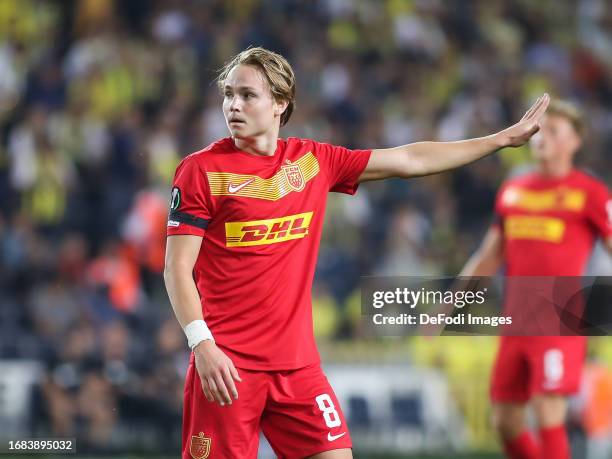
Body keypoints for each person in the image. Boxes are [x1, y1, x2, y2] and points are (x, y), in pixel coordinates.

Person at [163, 46, 549, 459]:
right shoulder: (202, 170)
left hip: (298, 368)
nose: (233, 105)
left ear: (280, 103)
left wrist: (500, 139)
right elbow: (176, 268)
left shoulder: (312, 162)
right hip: (226, 367)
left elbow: (410, 158)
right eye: (228, 94)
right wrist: (202, 345)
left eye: (247, 95)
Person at [459, 99, 612, 459]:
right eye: (541, 131)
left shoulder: (590, 193)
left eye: (555, 131)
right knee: (505, 422)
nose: (542, 139)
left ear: (575, 141)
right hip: (516, 323)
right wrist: (453, 301)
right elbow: (489, 254)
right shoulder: (514, 190)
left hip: (559, 323)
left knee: (548, 414)